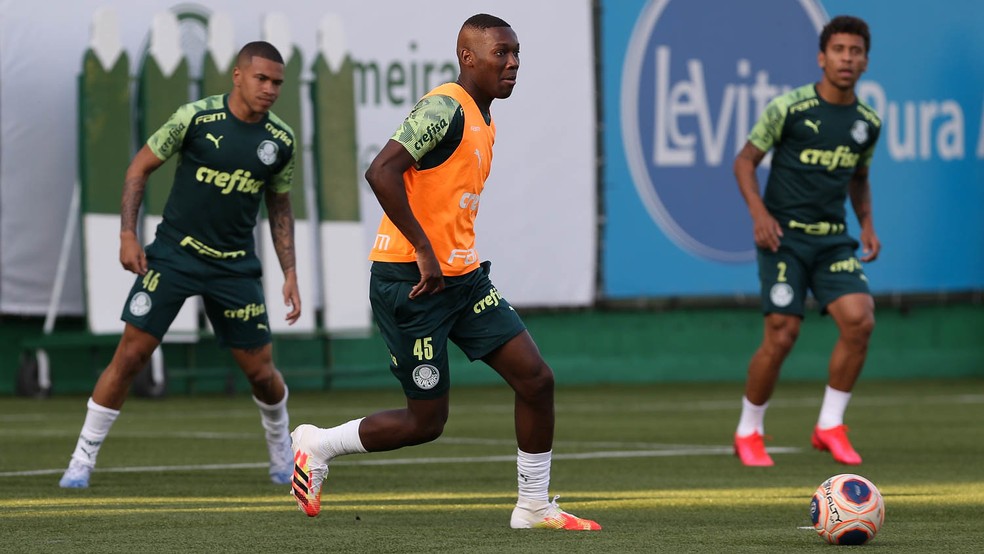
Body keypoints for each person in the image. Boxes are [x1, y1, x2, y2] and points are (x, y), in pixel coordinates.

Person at [288, 14, 600, 530]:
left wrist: (445, 255)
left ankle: (533, 505)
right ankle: (316, 445)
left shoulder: (485, 116)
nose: (514, 63)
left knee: (536, 380)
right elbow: (380, 170)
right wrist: (424, 249)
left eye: (517, 52)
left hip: (463, 279)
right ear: (468, 57)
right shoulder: (444, 106)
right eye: (501, 52)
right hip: (410, 281)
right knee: (426, 422)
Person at [59, 41, 300, 488]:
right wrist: (128, 234)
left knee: (261, 373)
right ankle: (81, 461)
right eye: (262, 79)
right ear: (239, 75)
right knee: (130, 355)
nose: (269, 89)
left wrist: (290, 272)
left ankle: (281, 450)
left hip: (234, 267)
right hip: (175, 254)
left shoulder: (281, 140)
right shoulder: (195, 117)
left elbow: (280, 208)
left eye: (277, 83)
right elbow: (138, 169)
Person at [732, 15, 881, 467]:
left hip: (833, 240)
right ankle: (749, 430)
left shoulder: (866, 123)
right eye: (839, 50)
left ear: (865, 61)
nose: (847, 58)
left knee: (860, 320)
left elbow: (858, 177)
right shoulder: (790, 108)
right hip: (784, 240)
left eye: (855, 51)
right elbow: (744, 161)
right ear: (822, 57)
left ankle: (830, 425)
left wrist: (868, 224)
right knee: (782, 333)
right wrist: (759, 214)